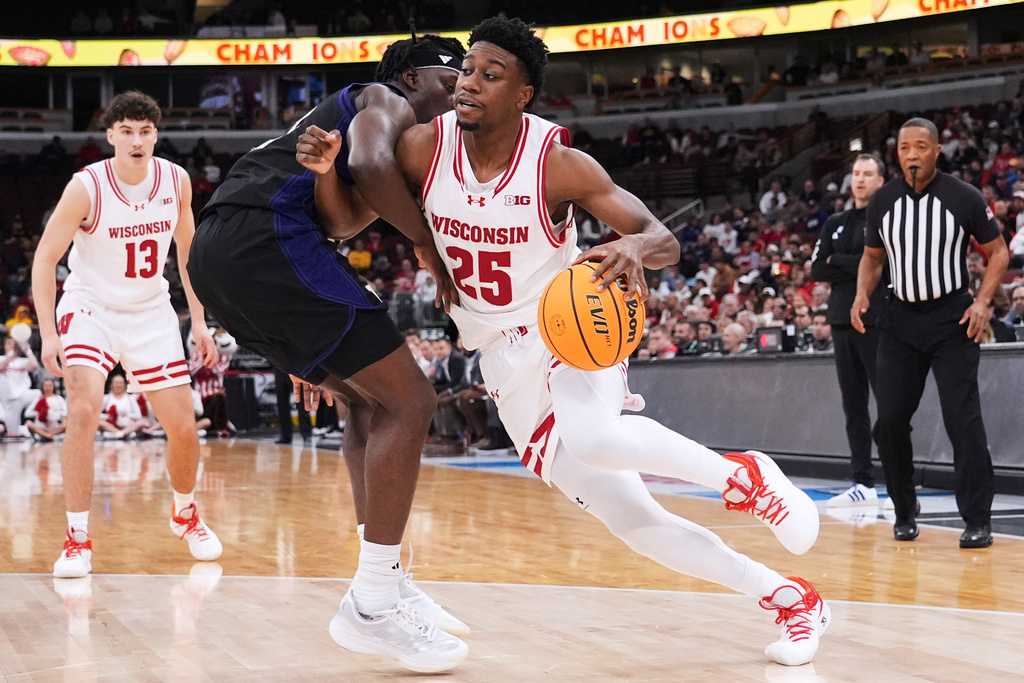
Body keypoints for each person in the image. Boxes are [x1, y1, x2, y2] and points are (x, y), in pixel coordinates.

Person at [305, 16, 828, 667]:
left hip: (568, 331)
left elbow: (659, 237)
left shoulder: (557, 164)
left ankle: (743, 475)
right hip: (500, 359)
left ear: (523, 94)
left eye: (490, 75)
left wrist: (633, 245)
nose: (469, 83)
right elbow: (351, 213)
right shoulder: (421, 148)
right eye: (468, 69)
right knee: (636, 523)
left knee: (595, 435)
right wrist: (330, 176)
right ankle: (790, 596)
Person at [188, 35, 470, 672]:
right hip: (267, 240)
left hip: (222, 251)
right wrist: (427, 246)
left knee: (368, 408)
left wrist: (327, 179)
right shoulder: (384, 99)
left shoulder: (347, 126)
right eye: (447, 86)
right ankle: (371, 604)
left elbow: (343, 223)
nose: (455, 101)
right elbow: (370, 170)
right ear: (409, 77)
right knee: (413, 399)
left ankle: (387, 583)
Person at [32, 91, 223, 579]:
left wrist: (198, 319)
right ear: (111, 135)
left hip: (151, 310)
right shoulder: (86, 186)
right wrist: (48, 332)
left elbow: (188, 253)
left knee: (182, 426)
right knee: (82, 409)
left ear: (155, 135)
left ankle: (185, 513)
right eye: (127, 132)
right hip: (90, 307)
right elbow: (45, 258)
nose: (137, 141)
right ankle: (77, 539)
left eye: (145, 132)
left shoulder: (175, 180)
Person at [852, 117, 1009, 548]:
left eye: (921, 147)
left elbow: (998, 252)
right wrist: (862, 294)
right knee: (890, 423)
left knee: (963, 420)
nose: (913, 155)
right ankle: (905, 510)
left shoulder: (964, 197)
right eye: (905, 148)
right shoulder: (882, 201)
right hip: (899, 321)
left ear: (937, 151)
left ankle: (977, 520)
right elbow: (872, 257)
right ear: (897, 153)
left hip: (952, 320)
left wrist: (983, 302)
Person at [811, 154, 886, 508]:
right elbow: (816, 269)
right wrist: (855, 264)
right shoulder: (835, 222)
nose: (860, 180)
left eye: (868, 174)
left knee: (889, 405)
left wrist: (837, 262)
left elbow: (882, 265)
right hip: (841, 320)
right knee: (853, 406)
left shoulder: (888, 218)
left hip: (877, 320)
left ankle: (896, 479)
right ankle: (862, 482)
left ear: (880, 180)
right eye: (856, 173)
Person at [0, 335, 41, 435]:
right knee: (13, 432)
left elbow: (34, 365)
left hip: (23, 395)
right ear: (5, 345)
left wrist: (28, 351)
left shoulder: (22, 361)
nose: (12, 346)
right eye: (9, 343)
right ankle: (24, 431)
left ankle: (29, 413)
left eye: (14, 344)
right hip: (8, 400)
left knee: (37, 393)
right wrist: (9, 355)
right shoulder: (1, 359)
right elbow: (1, 367)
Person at [98, 374, 147, 438]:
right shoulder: (106, 398)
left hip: (128, 425)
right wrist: (108, 416)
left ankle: (120, 434)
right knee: (100, 422)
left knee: (141, 423)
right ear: (112, 384)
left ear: (124, 384)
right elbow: (97, 414)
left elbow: (139, 416)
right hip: (112, 425)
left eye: (121, 383)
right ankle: (119, 433)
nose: (118, 385)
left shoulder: (131, 398)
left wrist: (127, 414)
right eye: (116, 383)